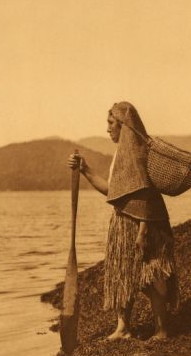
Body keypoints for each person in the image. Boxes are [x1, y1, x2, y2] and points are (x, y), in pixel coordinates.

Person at [67, 101, 179, 340]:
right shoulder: (120, 156)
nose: (107, 129)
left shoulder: (139, 154)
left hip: (145, 225)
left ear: (124, 126)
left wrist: (143, 231)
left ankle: (161, 330)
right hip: (122, 223)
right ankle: (123, 328)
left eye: (111, 124)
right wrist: (85, 169)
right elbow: (112, 191)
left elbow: (146, 195)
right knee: (122, 274)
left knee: (151, 275)